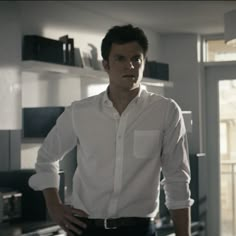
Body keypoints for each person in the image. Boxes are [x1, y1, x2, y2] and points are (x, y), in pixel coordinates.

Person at [29, 24, 194, 236]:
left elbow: (177, 179)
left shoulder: (166, 111)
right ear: (106, 64)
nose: (130, 66)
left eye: (136, 59)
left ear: (144, 63)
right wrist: (54, 206)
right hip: (86, 229)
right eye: (120, 59)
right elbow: (46, 157)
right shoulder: (80, 112)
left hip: (139, 231)